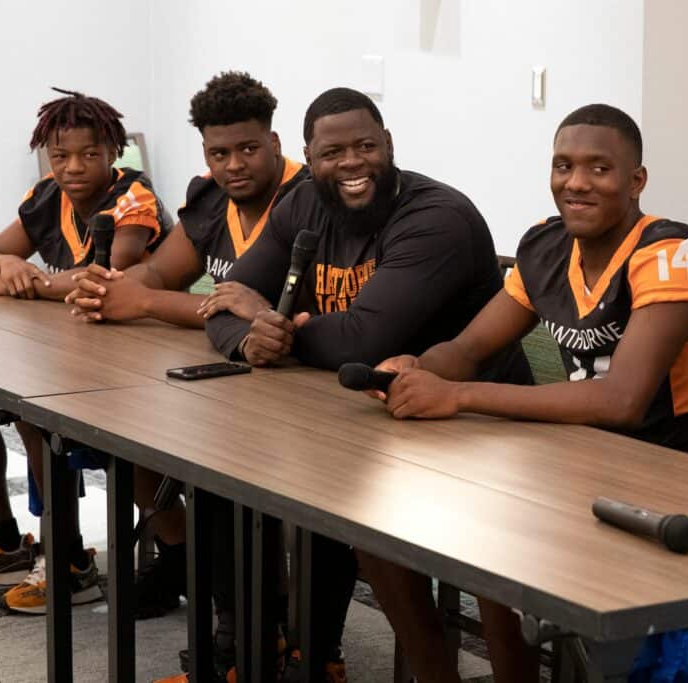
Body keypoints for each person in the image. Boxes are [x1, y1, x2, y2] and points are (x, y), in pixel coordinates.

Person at [359, 104, 688, 682]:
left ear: (636, 181)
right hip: (577, 462)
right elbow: (470, 348)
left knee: (499, 540)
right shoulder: (545, 245)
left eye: (599, 169)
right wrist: (415, 370)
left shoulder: (670, 250)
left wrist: (457, 396)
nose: (575, 182)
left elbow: (621, 401)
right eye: (563, 166)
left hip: (663, 477)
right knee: (382, 521)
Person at [201, 86, 530, 683]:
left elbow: (364, 339)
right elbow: (226, 302)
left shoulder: (436, 218)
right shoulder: (301, 206)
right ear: (308, 158)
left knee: (468, 571)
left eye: (366, 147)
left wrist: (274, 325)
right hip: (372, 418)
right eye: (333, 153)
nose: (352, 163)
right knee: (238, 470)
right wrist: (250, 339)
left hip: (481, 430)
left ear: (389, 145)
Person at [65, 72, 307, 626]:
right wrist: (107, 289)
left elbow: (256, 311)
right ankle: (181, 556)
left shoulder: (307, 200)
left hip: (292, 379)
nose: (234, 165)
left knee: (222, 472)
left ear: (274, 142)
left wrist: (145, 302)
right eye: (219, 153)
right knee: (120, 422)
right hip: (226, 371)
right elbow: (157, 273)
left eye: (248, 149)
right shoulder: (212, 197)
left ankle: (250, 626)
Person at [0, 89, 169, 614]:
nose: (73, 168)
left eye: (89, 154)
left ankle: (72, 562)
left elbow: (107, 276)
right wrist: (7, 265)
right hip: (75, 343)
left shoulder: (133, 196)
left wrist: (23, 280)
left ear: (112, 152)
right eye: (61, 156)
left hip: (142, 356)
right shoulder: (46, 196)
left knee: (37, 412)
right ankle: (4, 540)